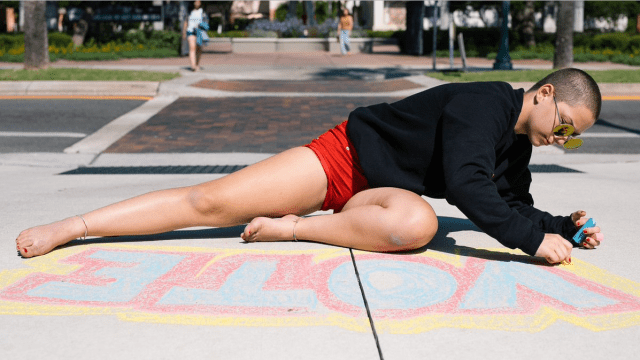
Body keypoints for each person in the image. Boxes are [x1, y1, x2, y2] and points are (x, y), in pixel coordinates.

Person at [15, 68, 604, 265]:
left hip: (384, 196)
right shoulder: (488, 104)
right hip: (345, 163)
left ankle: (291, 227)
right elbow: (470, 188)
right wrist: (531, 241)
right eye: (568, 125)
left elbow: (509, 200)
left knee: (416, 227)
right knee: (211, 203)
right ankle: (76, 226)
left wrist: (559, 225)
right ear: (546, 93)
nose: (566, 138)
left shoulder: (519, 144)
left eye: (575, 137)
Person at [182, 1, 208, 72]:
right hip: (191, 31)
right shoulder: (189, 11)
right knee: (192, 47)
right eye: (195, 1)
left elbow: (206, 22)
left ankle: (197, 64)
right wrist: (184, 32)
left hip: (200, 31)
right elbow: (186, 22)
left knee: (199, 49)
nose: (197, 2)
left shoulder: (203, 12)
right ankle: (193, 66)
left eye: (198, 1)